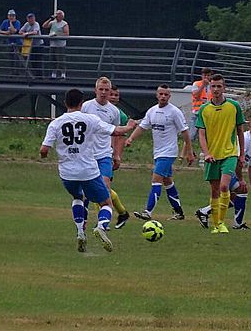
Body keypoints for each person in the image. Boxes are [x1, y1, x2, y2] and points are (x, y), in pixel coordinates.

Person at [41, 89, 136, 252]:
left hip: (67, 172)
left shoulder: (56, 123)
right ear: (81, 104)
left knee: (77, 197)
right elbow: (117, 131)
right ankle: (101, 226)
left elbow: (43, 150)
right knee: (106, 203)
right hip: (88, 170)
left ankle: (80, 232)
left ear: (65, 103)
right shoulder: (91, 119)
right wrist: (130, 126)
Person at [126, 84, 195, 221]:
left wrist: (189, 151)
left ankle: (148, 212)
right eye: (161, 94)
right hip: (157, 152)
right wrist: (130, 138)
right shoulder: (152, 111)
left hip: (168, 153)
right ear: (157, 95)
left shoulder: (174, 112)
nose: (163, 96)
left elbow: (185, 132)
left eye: (166, 94)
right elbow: (142, 127)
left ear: (169, 96)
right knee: (167, 181)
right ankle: (179, 212)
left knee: (156, 180)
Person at [195, 74, 245, 234]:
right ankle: (216, 225)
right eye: (213, 86)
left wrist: (241, 154)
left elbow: (240, 131)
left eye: (219, 86)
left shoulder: (234, 106)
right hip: (212, 156)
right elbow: (201, 135)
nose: (216, 89)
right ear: (209, 88)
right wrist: (207, 153)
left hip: (230, 154)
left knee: (224, 186)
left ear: (224, 88)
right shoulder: (204, 109)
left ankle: (222, 223)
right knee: (214, 190)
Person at [195, 117, 251, 230]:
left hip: (230, 170)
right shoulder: (245, 139)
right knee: (242, 191)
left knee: (233, 198)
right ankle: (238, 224)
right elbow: (236, 160)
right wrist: (241, 179)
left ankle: (204, 212)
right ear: (250, 125)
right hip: (224, 168)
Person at [81, 77, 131, 229]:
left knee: (104, 188)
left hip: (104, 155)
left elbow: (116, 134)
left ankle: (102, 223)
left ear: (110, 92)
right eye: (100, 89)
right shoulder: (86, 107)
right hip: (87, 155)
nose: (103, 92)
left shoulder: (114, 112)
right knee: (85, 191)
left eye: (106, 90)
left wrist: (116, 155)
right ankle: (83, 221)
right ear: (95, 90)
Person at [42, 9, 69, 79]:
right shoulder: (52, 22)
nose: (57, 15)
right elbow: (44, 26)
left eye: (59, 14)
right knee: (52, 59)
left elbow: (66, 34)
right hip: (53, 44)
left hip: (60, 45)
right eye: (56, 14)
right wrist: (50, 19)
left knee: (61, 59)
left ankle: (63, 73)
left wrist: (57, 34)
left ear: (62, 16)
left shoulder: (64, 24)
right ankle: (53, 73)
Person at [189, 67, 212, 141]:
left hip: (208, 113)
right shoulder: (197, 84)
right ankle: (188, 150)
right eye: (204, 75)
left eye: (208, 75)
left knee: (207, 136)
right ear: (202, 76)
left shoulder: (212, 85)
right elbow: (195, 95)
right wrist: (203, 86)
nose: (206, 77)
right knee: (192, 135)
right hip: (197, 112)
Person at [19, 13, 44, 78]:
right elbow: (20, 31)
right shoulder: (26, 24)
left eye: (32, 18)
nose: (31, 19)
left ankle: (40, 76)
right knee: (32, 61)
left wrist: (27, 34)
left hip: (39, 45)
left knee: (38, 61)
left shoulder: (36, 24)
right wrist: (24, 33)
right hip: (31, 46)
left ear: (34, 18)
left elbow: (35, 32)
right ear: (27, 19)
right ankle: (34, 76)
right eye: (29, 18)